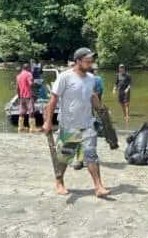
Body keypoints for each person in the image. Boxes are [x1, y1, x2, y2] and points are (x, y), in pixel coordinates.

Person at [42, 47, 110, 197]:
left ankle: (98, 187)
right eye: (87, 61)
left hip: (87, 125)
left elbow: (92, 96)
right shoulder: (64, 77)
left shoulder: (91, 78)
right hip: (69, 126)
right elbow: (53, 100)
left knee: (91, 155)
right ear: (77, 61)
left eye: (91, 61)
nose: (90, 64)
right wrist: (47, 122)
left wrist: (102, 111)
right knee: (65, 157)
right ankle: (59, 182)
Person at [16, 63, 37, 132]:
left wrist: (19, 96)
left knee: (22, 112)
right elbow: (31, 84)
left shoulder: (18, 76)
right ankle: (32, 128)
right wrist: (35, 84)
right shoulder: (29, 74)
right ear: (28, 68)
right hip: (28, 96)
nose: (31, 69)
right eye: (30, 68)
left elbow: (17, 88)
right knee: (31, 112)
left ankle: (20, 127)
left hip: (21, 96)